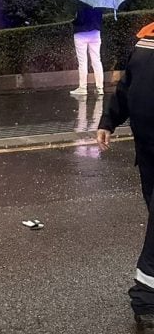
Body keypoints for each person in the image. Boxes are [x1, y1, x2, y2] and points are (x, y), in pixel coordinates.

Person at [97, 24, 154, 333]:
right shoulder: (147, 41)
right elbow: (127, 86)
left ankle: (145, 300)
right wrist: (109, 119)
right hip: (148, 152)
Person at [70, 3, 104, 96]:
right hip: (95, 33)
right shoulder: (98, 2)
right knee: (97, 61)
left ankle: (83, 88)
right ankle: (100, 88)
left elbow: (78, 20)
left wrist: (74, 20)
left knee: (82, 62)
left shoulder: (80, 2)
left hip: (80, 33)